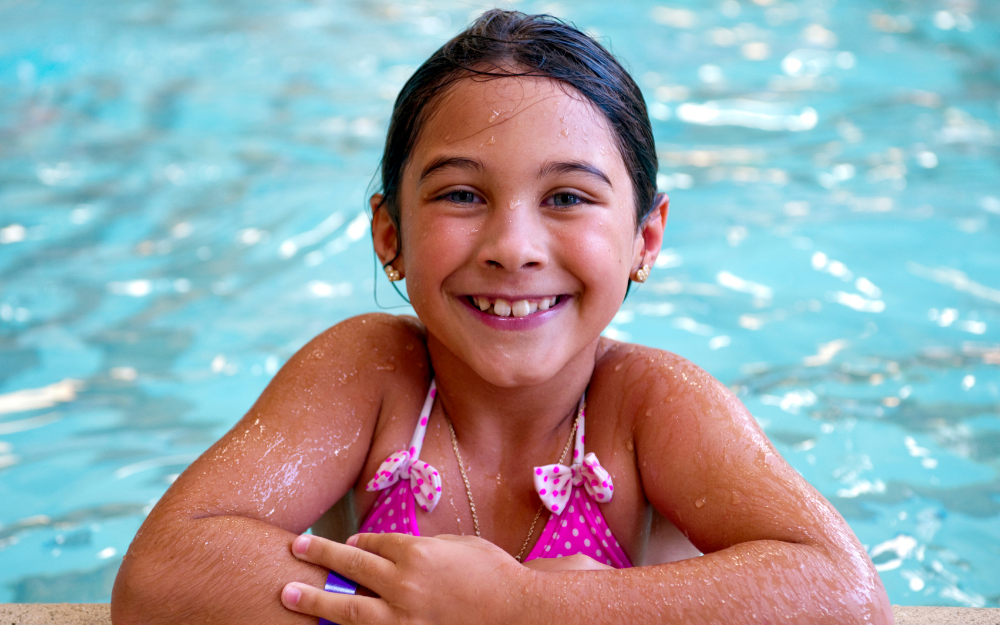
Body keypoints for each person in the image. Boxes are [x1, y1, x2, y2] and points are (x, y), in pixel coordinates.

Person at [111, 9, 893, 625]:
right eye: (461, 194)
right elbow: (161, 578)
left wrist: (528, 607)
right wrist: (415, 607)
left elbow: (846, 600)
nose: (512, 247)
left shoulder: (646, 406)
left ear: (643, 239)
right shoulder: (370, 375)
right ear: (391, 235)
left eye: (567, 197)